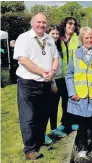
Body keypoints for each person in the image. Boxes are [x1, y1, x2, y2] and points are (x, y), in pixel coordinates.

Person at [13, 12, 59, 160]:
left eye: (44, 23)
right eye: (38, 22)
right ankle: (30, 150)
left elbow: (55, 58)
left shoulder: (49, 39)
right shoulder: (24, 38)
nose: (41, 25)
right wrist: (42, 72)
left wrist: (52, 72)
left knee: (42, 115)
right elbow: (23, 60)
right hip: (28, 83)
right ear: (32, 23)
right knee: (28, 117)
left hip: (45, 83)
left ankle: (39, 141)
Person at [65, 27, 92, 158]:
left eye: (91, 37)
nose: (89, 40)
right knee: (81, 124)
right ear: (82, 39)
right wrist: (72, 92)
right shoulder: (75, 54)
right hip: (79, 95)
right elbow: (69, 74)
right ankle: (82, 147)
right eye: (86, 38)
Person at [44, 25, 67, 145]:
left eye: (57, 34)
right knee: (47, 108)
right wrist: (52, 83)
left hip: (59, 79)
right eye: (53, 33)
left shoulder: (57, 46)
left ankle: (54, 129)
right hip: (50, 80)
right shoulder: (46, 46)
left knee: (55, 107)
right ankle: (42, 133)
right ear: (48, 34)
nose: (55, 36)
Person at [58, 17, 80, 133]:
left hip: (74, 75)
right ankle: (65, 123)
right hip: (61, 75)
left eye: (74, 24)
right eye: (70, 23)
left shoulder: (77, 38)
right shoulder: (59, 39)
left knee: (74, 99)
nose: (72, 26)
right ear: (64, 25)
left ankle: (75, 121)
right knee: (64, 100)